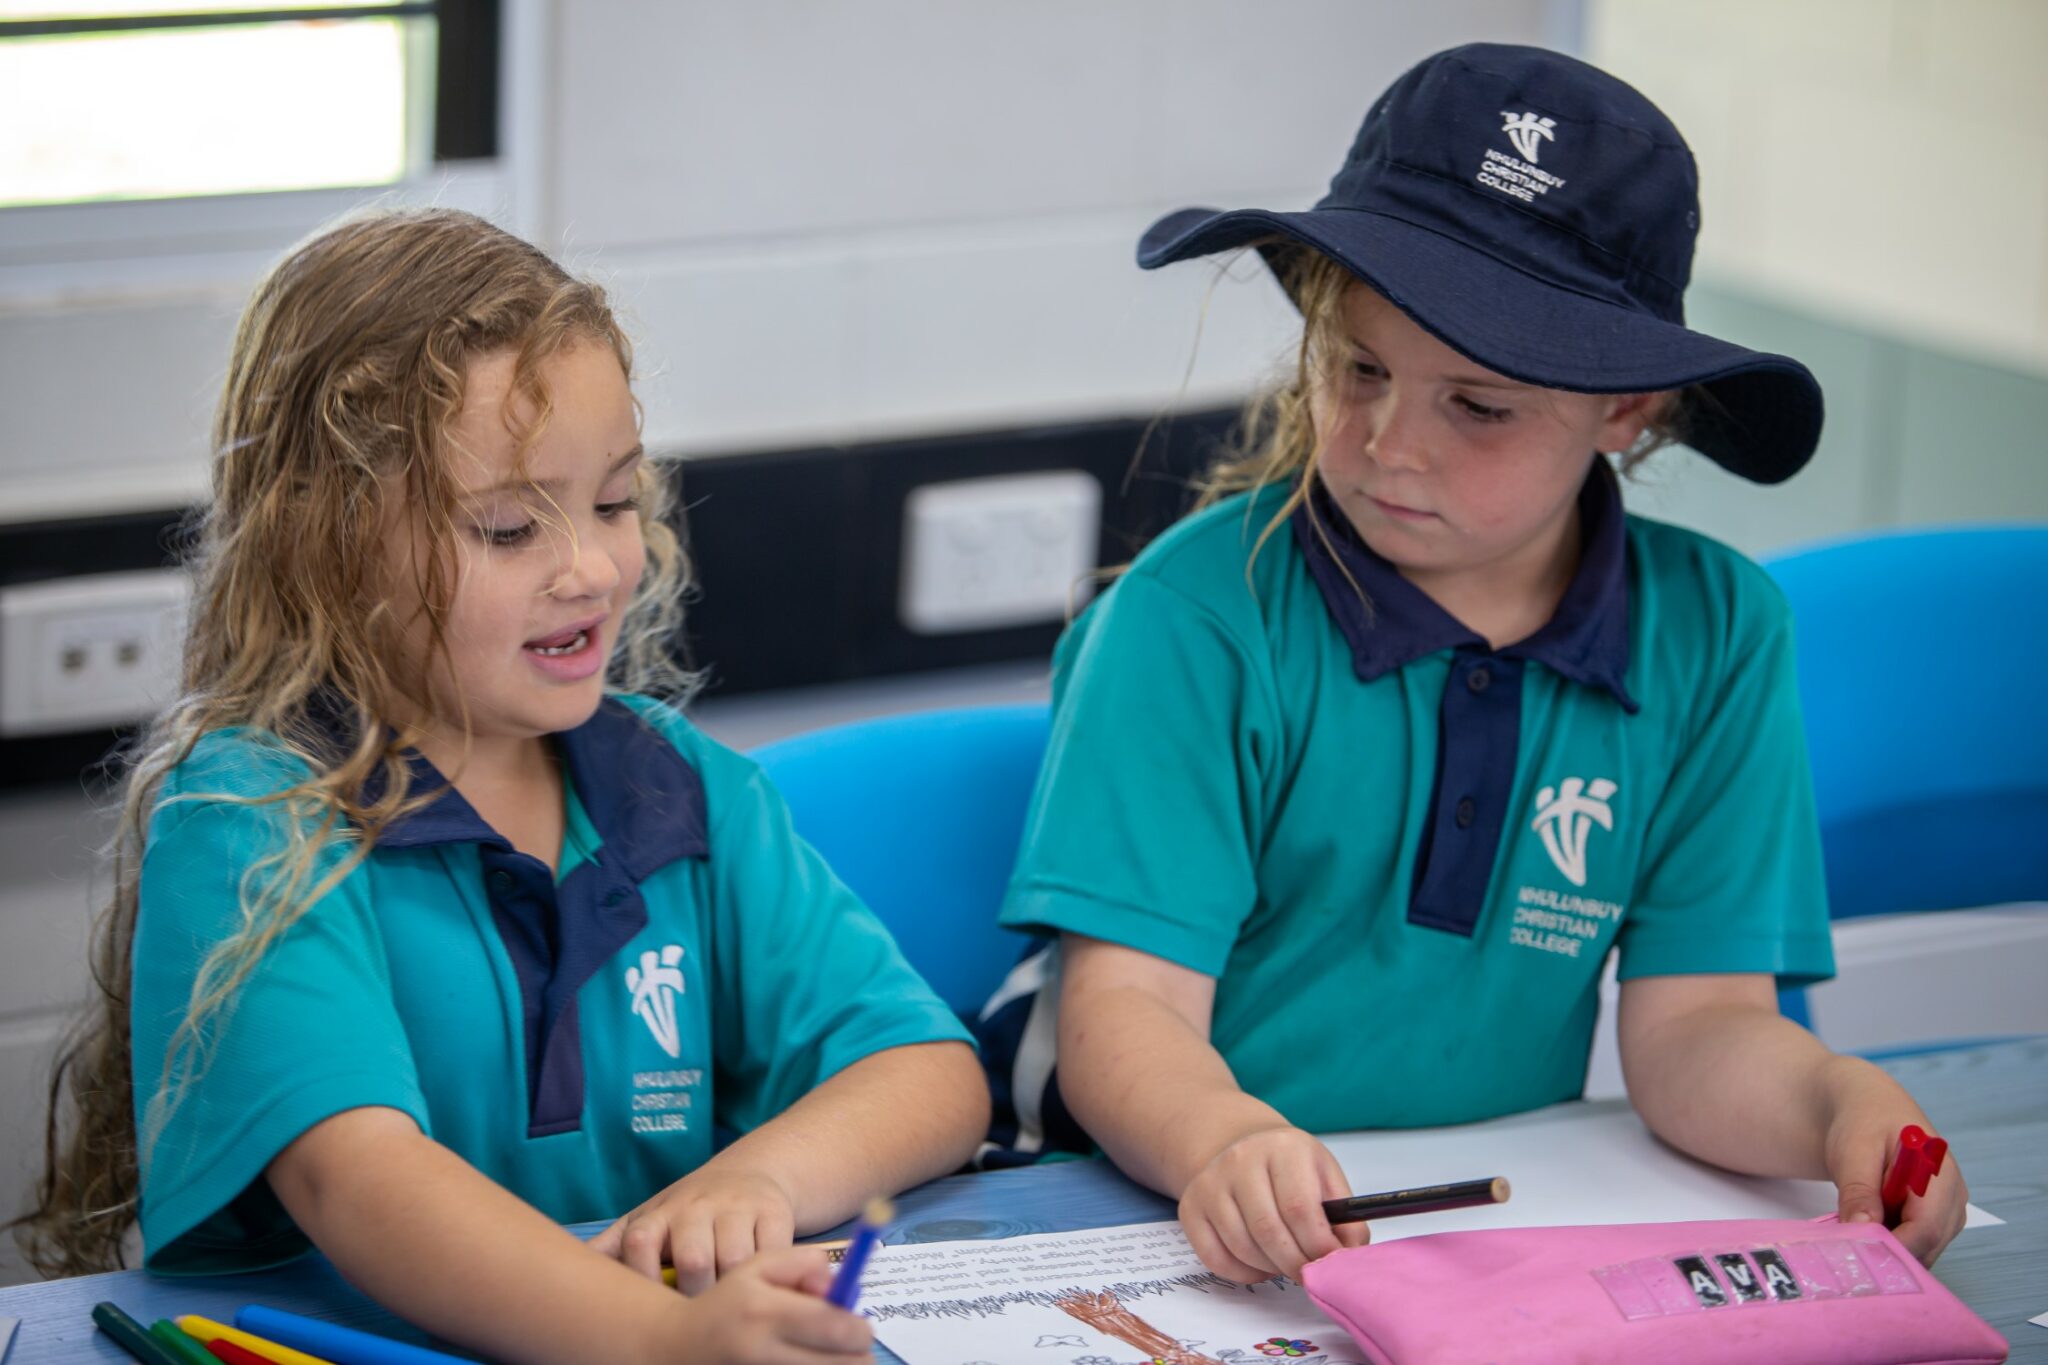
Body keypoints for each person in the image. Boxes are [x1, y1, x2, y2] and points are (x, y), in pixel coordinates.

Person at [975, 43, 1968, 1283]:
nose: (1389, 443)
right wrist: (1222, 1139)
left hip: (1463, 1234)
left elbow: (1698, 1027)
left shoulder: (1716, 633)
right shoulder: (1192, 617)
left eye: (1478, 406)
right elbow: (1125, 1014)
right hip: (1121, 1204)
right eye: (1360, 369)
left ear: (1625, 412)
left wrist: (1836, 1110)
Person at [16, 208, 988, 1365]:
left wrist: (757, 1178)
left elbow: (927, 1071)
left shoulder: (680, 792)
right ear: (327, 543)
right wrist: (657, 1342)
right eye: (511, 526)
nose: (590, 567)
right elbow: (359, 1180)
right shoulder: (250, 820)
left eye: (615, 503)